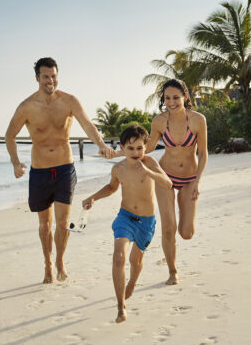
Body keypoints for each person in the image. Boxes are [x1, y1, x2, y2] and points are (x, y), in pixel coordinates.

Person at [5, 57, 115, 284]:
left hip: (65, 168)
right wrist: (15, 162)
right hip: (40, 172)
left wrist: (101, 145)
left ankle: (61, 261)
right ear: (37, 78)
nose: (50, 80)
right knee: (45, 224)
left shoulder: (69, 101)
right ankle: (47, 263)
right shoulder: (27, 106)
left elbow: (87, 125)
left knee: (63, 223)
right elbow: (10, 135)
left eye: (54, 76)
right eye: (46, 76)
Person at [82, 124, 172, 323]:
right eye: (130, 148)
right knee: (119, 258)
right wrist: (94, 197)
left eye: (139, 148)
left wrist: (149, 172)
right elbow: (112, 188)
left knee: (135, 261)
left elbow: (167, 183)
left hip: (146, 222)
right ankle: (121, 306)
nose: (135, 153)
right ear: (121, 148)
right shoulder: (118, 168)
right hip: (125, 217)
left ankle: (132, 281)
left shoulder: (150, 163)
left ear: (145, 147)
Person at [145, 79, 208, 285]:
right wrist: (120, 152)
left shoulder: (198, 120)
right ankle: (172, 271)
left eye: (176, 98)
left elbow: (204, 154)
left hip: (190, 178)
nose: (171, 102)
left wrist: (197, 182)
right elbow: (148, 148)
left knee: (186, 233)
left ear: (185, 97)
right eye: (167, 98)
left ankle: (185, 212)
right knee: (168, 227)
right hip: (165, 176)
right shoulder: (159, 121)